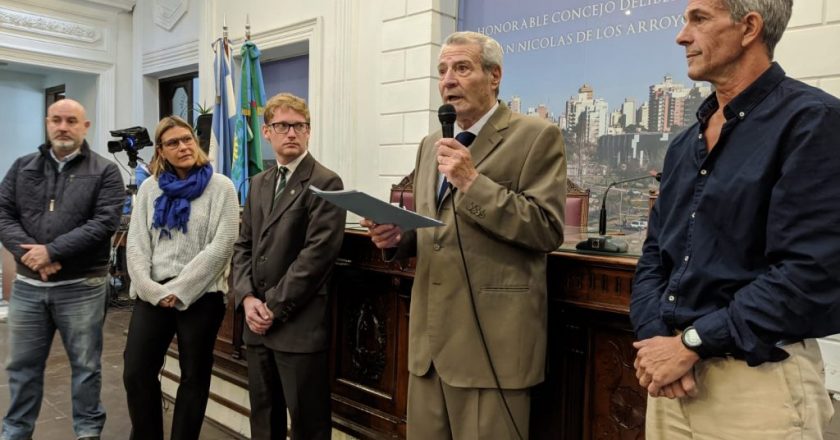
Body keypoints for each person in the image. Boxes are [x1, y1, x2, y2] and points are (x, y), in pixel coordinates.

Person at [630, 1, 840, 438]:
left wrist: (691, 343)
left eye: (699, 19)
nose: (681, 36)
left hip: (757, 384)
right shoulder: (685, 142)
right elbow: (656, 254)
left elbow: (810, 272)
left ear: (749, 28)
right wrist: (655, 342)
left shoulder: (812, 121)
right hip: (672, 379)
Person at [362, 31, 566, 439]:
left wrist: (473, 182)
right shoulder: (430, 143)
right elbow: (433, 227)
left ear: (494, 77)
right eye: (442, 71)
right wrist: (395, 238)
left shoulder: (536, 136)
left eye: (461, 68)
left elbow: (546, 227)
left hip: (491, 346)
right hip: (429, 345)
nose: (448, 80)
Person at [0, 98, 125, 440]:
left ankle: (87, 433)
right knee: (23, 369)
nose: (63, 127)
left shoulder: (105, 171)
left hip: (82, 286)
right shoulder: (22, 166)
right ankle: (14, 433)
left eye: (71, 120)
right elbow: (3, 214)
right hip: (28, 287)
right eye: (56, 120)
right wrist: (32, 256)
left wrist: (52, 251)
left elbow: (104, 223)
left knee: (86, 368)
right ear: (47, 123)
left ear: (85, 127)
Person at [232, 93, 346, 440]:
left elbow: (316, 257)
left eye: (299, 126)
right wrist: (248, 299)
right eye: (282, 125)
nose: (291, 133)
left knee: (308, 426)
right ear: (267, 132)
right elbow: (243, 246)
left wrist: (272, 307)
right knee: (264, 424)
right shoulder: (258, 182)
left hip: (298, 325)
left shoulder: (326, 182)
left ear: (309, 131)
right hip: (257, 325)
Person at [122, 116, 238, 440]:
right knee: (136, 372)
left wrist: (181, 289)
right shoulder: (149, 188)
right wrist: (150, 288)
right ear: (160, 150)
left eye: (187, 139)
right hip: (153, 293)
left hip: (202, 295)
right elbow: (136, 244)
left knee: (194, 377)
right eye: (173, 142)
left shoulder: (221, 187)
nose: (183, 146)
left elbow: (223, 244)